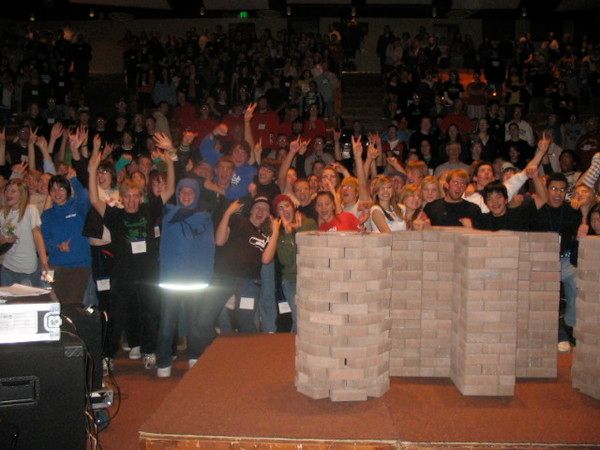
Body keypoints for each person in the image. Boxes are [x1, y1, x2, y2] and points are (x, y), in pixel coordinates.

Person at [88, 133, 175, 370]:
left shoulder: (148, 210)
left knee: (150, 314)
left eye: (136, 196)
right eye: (127, 196)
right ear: (122, 198)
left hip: (148, 273)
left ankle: (149, 351)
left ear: (141, 197)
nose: (132, 200)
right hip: (123, 274)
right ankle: (107, 355)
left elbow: (169, 191)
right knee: (117, 316)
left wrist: (169, 160)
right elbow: (94, 199)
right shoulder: (115, 215)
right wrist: (93, 167)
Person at [155, 178, 215, 377]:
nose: (187, 195)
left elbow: (209, 250)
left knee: (194, 324)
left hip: (195, 281)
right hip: (171, 280)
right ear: (178, 194)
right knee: (167, 324)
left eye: (191, 192)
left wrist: (207, 276)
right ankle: (163, 361)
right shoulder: (168, 214)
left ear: (196, 195)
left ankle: (195, 356)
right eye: (183, 192)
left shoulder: (205, 219)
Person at [531, 172, 582, 353]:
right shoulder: (538, 208)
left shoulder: (572, 210)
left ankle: (569, 326)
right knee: (544, 291)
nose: (557, 193)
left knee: (576, 284)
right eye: (553, 188)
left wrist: (582, 205)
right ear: (546, 189)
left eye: (561, 189)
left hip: (565, 259)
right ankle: (555, 332)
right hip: (541, 261)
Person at [266, 194, 317, 333]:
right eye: (280, 208)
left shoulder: (309, 223)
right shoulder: (278, 232)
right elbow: (286, 260)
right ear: (277, 213)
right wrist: (288, 234)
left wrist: (298, 230)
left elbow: (309, 252)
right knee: (298, 317)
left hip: (310, 278)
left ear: (293, 207)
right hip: (290, 281)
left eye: (287, 205)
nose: (285, 210)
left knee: (309, 317)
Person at [0, 179, 49, 286]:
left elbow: (37, 236)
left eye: (13, 191)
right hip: (7, 269)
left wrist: (44, 262)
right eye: (7, 190)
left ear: (22, 194)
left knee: (35, 296)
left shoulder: (30, 210)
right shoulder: (2, 214)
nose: (8, 194)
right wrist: (4, 240)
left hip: (28, 270)